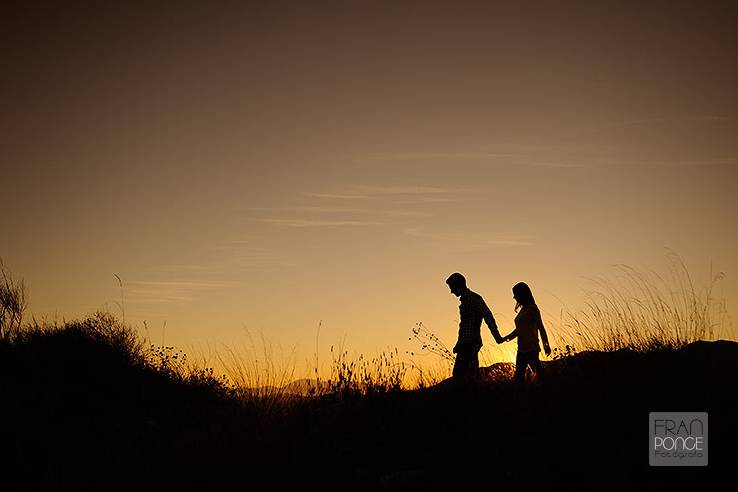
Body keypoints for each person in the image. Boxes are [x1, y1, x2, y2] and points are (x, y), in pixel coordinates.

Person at [445, 272, 503, 382]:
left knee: (463, 375)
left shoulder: (474, 298)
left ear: (459, 285)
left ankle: (474, 396)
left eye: (452, 288)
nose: (451, 291)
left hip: (471, 343)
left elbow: (488, 316)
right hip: (464, 343)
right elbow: (464, 325)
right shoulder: (465, 301)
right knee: (465, 375)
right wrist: (459, 343)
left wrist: (497, 336)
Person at [502, 282, 551, 383]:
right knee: (519, 379)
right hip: (521, 350)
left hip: (531, 349)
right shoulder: (523, 310)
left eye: (515, 294)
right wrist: (506, 338)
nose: (514, 297)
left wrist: (546, 345)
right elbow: (518, 330)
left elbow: (541, 328)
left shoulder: (533, 309)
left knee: (540, 376)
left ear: (522, 294)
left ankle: (550, 393)